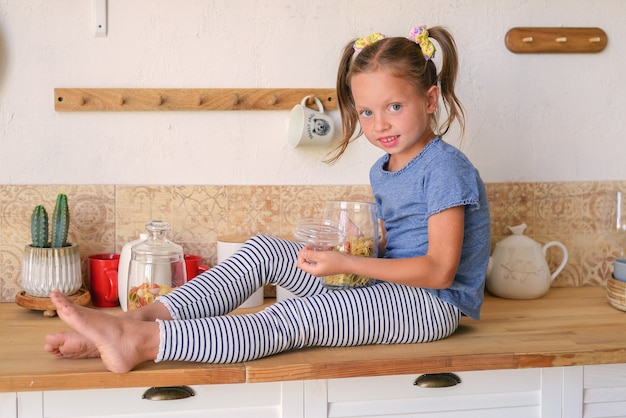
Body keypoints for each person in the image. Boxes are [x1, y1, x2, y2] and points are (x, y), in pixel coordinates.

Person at [45, 25, 490, 374]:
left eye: (395, 107)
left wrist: (349, 264)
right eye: (367, 112)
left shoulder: (445, 167)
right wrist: (356, 246)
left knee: (293, 315)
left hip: (432, 306)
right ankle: (137, 321)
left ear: (430, 100)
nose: (379, 125)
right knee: (262, 250)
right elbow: (399, 241)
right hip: (388, 288)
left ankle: (144, 344)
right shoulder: (384, 168)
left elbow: (438, 270)